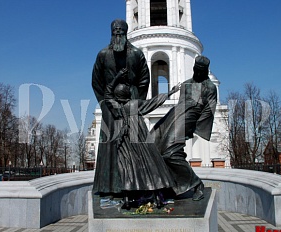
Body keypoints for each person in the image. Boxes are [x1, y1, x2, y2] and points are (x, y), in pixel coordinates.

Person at [104, 68, 180, 209]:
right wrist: (170, 92)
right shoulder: (134, 104)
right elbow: (154, 102)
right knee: (151, 163)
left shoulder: (115, 107)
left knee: (126, 166)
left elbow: (107, 93)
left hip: (124, 139)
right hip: (140, 137)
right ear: (127, 95)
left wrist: (118, 76)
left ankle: (127, 199)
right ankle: (157, 196)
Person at [92, 19, 150, 194]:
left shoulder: (136, 54)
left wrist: (136, 102)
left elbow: (144, 80)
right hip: (110, 106)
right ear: (111, 34)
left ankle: (136, 186)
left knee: (136, 142)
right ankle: (108, 187)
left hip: (131, 102)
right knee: (110, 144)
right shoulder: (103, 55)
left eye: (121, 33)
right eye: (114, 33)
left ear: (126, 34)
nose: (118, 36)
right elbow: (96, 82)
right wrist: (105, 105)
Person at [151, 55, 217, 201]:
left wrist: (193, 128)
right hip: (175, 114)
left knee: (170, 153)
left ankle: (196, 184)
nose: (197, 73)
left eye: (201, 71)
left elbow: (209, 110)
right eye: (196, 70)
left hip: (189, 117)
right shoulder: (187, 84)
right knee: (151, 144)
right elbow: (181, 104)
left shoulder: (209, 87)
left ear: (205, 72)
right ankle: (170, 186)